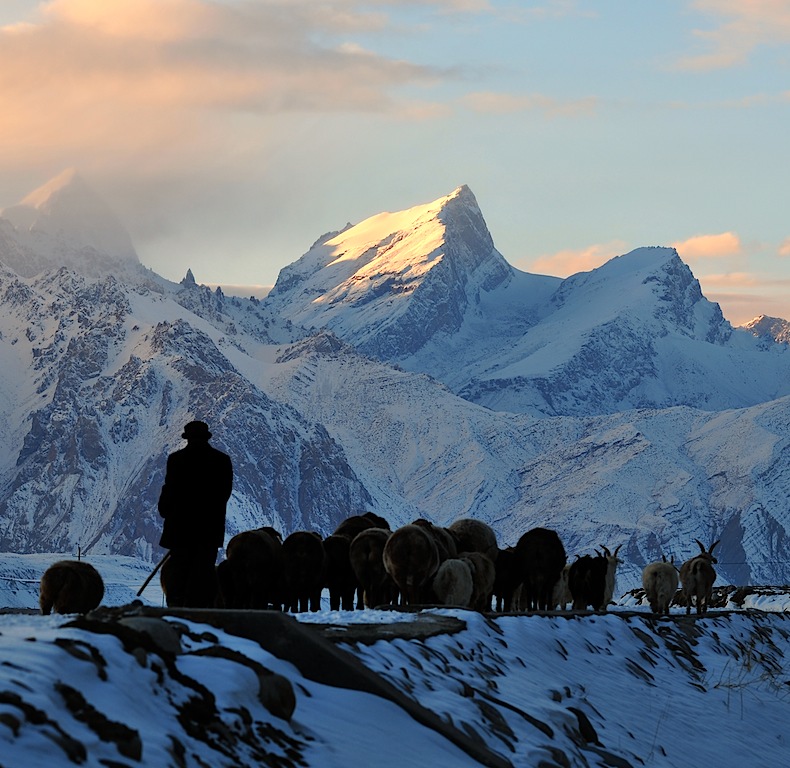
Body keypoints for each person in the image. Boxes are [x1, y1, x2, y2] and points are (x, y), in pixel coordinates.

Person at [158, 420, 233, 607]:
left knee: (179, 569)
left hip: (180, 528)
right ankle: (202, 607)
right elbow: (224, 493)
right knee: (203, 570)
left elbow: (169, 489)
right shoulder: (221, 460)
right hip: (209, 528)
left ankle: (177, 605)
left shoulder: (176, 460)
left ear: (187, 438)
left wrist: (166, 510)